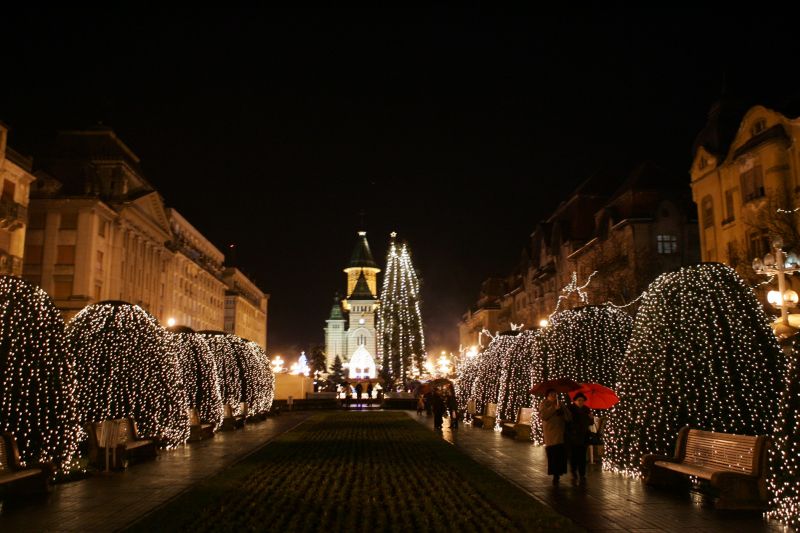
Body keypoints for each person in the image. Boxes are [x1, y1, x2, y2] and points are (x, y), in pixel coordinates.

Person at [538, 389, 571, 486]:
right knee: (553, 454)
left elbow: (569, 417)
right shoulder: (544, 403)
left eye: (555, 394)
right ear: (547, 396)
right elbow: (544, 415)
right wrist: (554, 408)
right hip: (551, 434)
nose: (553, 396)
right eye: (551, 394)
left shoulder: (560, 403)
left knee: (560, 454)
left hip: (561, 433)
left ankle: (559, 473)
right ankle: (555, 474)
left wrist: (561, 411)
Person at [566, 392, 594, 485]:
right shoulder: (570, 409)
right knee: (574, 455)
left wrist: (591, 418)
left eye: (582, 400)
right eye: (579, 400)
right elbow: (568, 422)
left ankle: (582, 473)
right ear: (575, 401)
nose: (581, 402)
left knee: (582, 456)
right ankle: (574, 472)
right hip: (573, 436)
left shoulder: (586, 409)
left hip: (584, 436)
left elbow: (590, 423)